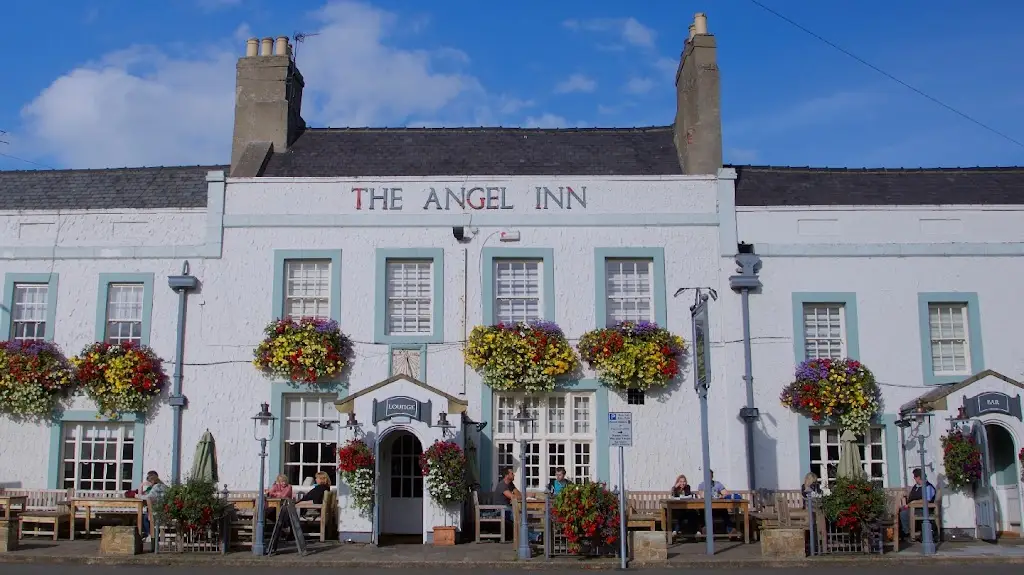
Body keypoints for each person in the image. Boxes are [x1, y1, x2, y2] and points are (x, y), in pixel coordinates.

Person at [696, 470, 738, 536]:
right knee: (702, 511)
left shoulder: (717, 484)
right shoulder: (702, 485)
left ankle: (731, 530)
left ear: (712, 476)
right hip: (707, 508)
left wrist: (721, 496)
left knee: (724, 511)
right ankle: (706, 529)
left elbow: (725, 493)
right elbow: (702, 495)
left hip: (717, 507)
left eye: (710, 476)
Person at [900, 468, 936, 541]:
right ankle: (903, 533)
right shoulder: (916, 486)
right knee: (900, 511)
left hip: (922, 509)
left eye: (914, 477)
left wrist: (913, 503)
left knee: (904, 514)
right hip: (912, 508)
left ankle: (908, 533)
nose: (914, 479)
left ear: (918, 477)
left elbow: (927, 500)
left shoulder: (928, 487)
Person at [137, 471, 167, 539]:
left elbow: (149, 497)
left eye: (149, 482)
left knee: (145, 518)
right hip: (164, 510)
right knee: (146, 516)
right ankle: (153, 535)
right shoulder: (163, 486)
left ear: (152, 481)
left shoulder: (156, 487)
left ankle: (151, 535)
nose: (148, 484)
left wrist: (138, 495)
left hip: (157, 512)